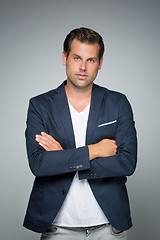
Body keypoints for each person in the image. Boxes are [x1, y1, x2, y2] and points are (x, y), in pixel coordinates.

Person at [23, 27, 137, 240]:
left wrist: (62, 157)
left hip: (109, 226)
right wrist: (94, 151)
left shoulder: (118, 103)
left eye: (91, 60)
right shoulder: (40, 106)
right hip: (58, 227)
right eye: (77, 58)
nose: (83, 67)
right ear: (65, 58)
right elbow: (39, 164)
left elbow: (126, 163)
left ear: (100, 63)